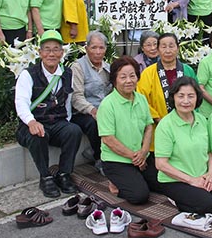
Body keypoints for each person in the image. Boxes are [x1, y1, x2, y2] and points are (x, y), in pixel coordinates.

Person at [155, 77, 212, 214]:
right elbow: (161, 164)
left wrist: (211, 173)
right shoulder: (165, 125)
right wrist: (191, 181)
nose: (186, 101)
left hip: (203, 174)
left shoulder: (201, 119)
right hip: (175, 180)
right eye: (181, 96)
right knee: (207, 206)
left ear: (197, 98)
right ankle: (175, 198)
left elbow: (209, 151)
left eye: (191, 96)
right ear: (173, 98)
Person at [15, 30, 82, 198]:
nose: (51, 54)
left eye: (56, 49)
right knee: (38, 135)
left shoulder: (67, 73)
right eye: (47, 49)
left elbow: (68, 100)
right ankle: (45, 177)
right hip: (32, 123)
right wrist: (31, 122)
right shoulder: (28, 74)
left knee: (73, 130)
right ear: (40, 53)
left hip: (56, 122)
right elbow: (20, 102)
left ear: (62, 53)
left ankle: (64, 174)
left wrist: (66, 121)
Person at [98, 56, 157, 204]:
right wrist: (135, 158)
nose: (129, 80)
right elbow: (108, 139)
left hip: (140, 156)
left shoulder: (141, 99)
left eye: (132, 76)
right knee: (139, 196)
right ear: (114, 80)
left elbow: (148, 126)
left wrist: (144, 152)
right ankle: (114, 181)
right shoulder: (107, 105)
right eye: (123, 77)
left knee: (163, 182)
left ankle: (134, 177)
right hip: (117, 160)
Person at [71, 31, 112, 174]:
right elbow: (76, 97)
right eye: (94, 47)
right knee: (94, 123)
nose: (97, 52)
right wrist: (93, 110)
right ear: (86, 48)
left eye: (101, 48)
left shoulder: (108, 67)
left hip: (104, 109)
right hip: (83, 112)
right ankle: (99, 158)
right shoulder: (78, 67)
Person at [137, 33, 197, 129]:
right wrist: (157, 118)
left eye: (171, 46)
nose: (168, 50)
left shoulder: (187, 70)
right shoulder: (148, 73)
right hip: (158, 125)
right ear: (158, 50)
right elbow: (141, 99)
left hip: (187, 123)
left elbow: (196, 95)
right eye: (163, 47)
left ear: (177, 48)